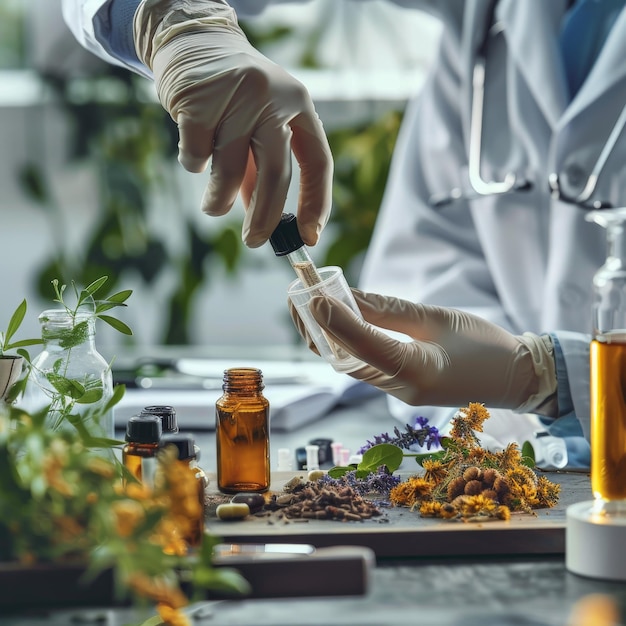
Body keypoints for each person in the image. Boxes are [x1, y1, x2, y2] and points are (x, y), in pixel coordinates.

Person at [61, 0, 626, 467]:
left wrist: (553, 374)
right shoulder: (490, 19)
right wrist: (174, 19)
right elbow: (437, 258)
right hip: (514, 468)